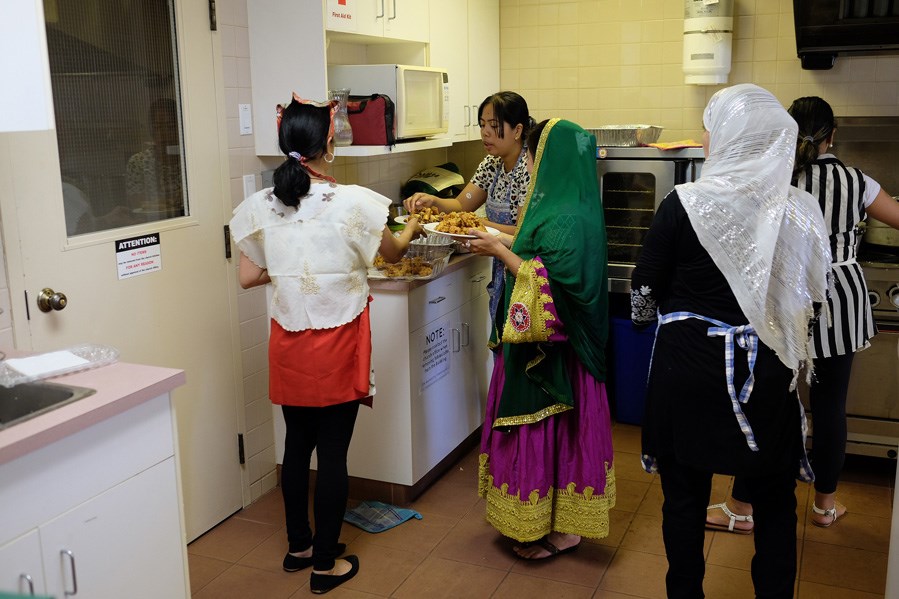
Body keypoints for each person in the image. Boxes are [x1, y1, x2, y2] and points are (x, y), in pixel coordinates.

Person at [632, 84, 832, 598]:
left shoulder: (686, 202)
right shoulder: (800, 208)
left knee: (683, 499)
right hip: (765, 373)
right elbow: (815, 296)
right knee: (773, 501)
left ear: (727, 136)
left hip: (689, 372)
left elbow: (644, 285)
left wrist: (646, 322)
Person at [229, 96, 422, 594]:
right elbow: (395, 251)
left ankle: (299, 548)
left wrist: (293, 265)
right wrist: (415, 225)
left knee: (297, 446)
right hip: (338, 336)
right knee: (333, 454)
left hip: (289, 339)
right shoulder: (353, 201)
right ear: (329, 142)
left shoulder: (263, 204)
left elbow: (249, 276)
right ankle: (324, 568)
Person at [707, 96, 899, 533]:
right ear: (833, 135)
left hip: (782, 300)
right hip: (841, 301)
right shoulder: (858, 182)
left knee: (768, 402)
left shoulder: (774, 176)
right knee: (831, 408)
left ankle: (741, 507)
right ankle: (825, 506)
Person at [465, 118, 615, 559]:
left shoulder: (565, 216)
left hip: (558, 356)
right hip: (542, 343)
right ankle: (539, 518)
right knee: (552, 436)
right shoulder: (567, 203)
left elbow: (548, 284)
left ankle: (563, 529)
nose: (529, 162)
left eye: (533, 154)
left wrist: (497, 251)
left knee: (556, 433)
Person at [404, 91, 534, 321]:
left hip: (523, 267)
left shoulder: (528, 168)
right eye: (482, 124)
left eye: (494, 125)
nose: (485, 132)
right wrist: (433, 201)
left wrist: (477, 224)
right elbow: (461, 205)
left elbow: (522, 233)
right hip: (500, 262)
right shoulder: (491, 163)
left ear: (517, 130)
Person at [125, 98, 184, 216]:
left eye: (170, 127)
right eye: (158, 127)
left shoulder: (189, 160)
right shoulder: (138, 162)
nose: (164, 134)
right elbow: (138, 204)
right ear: (151, 130)